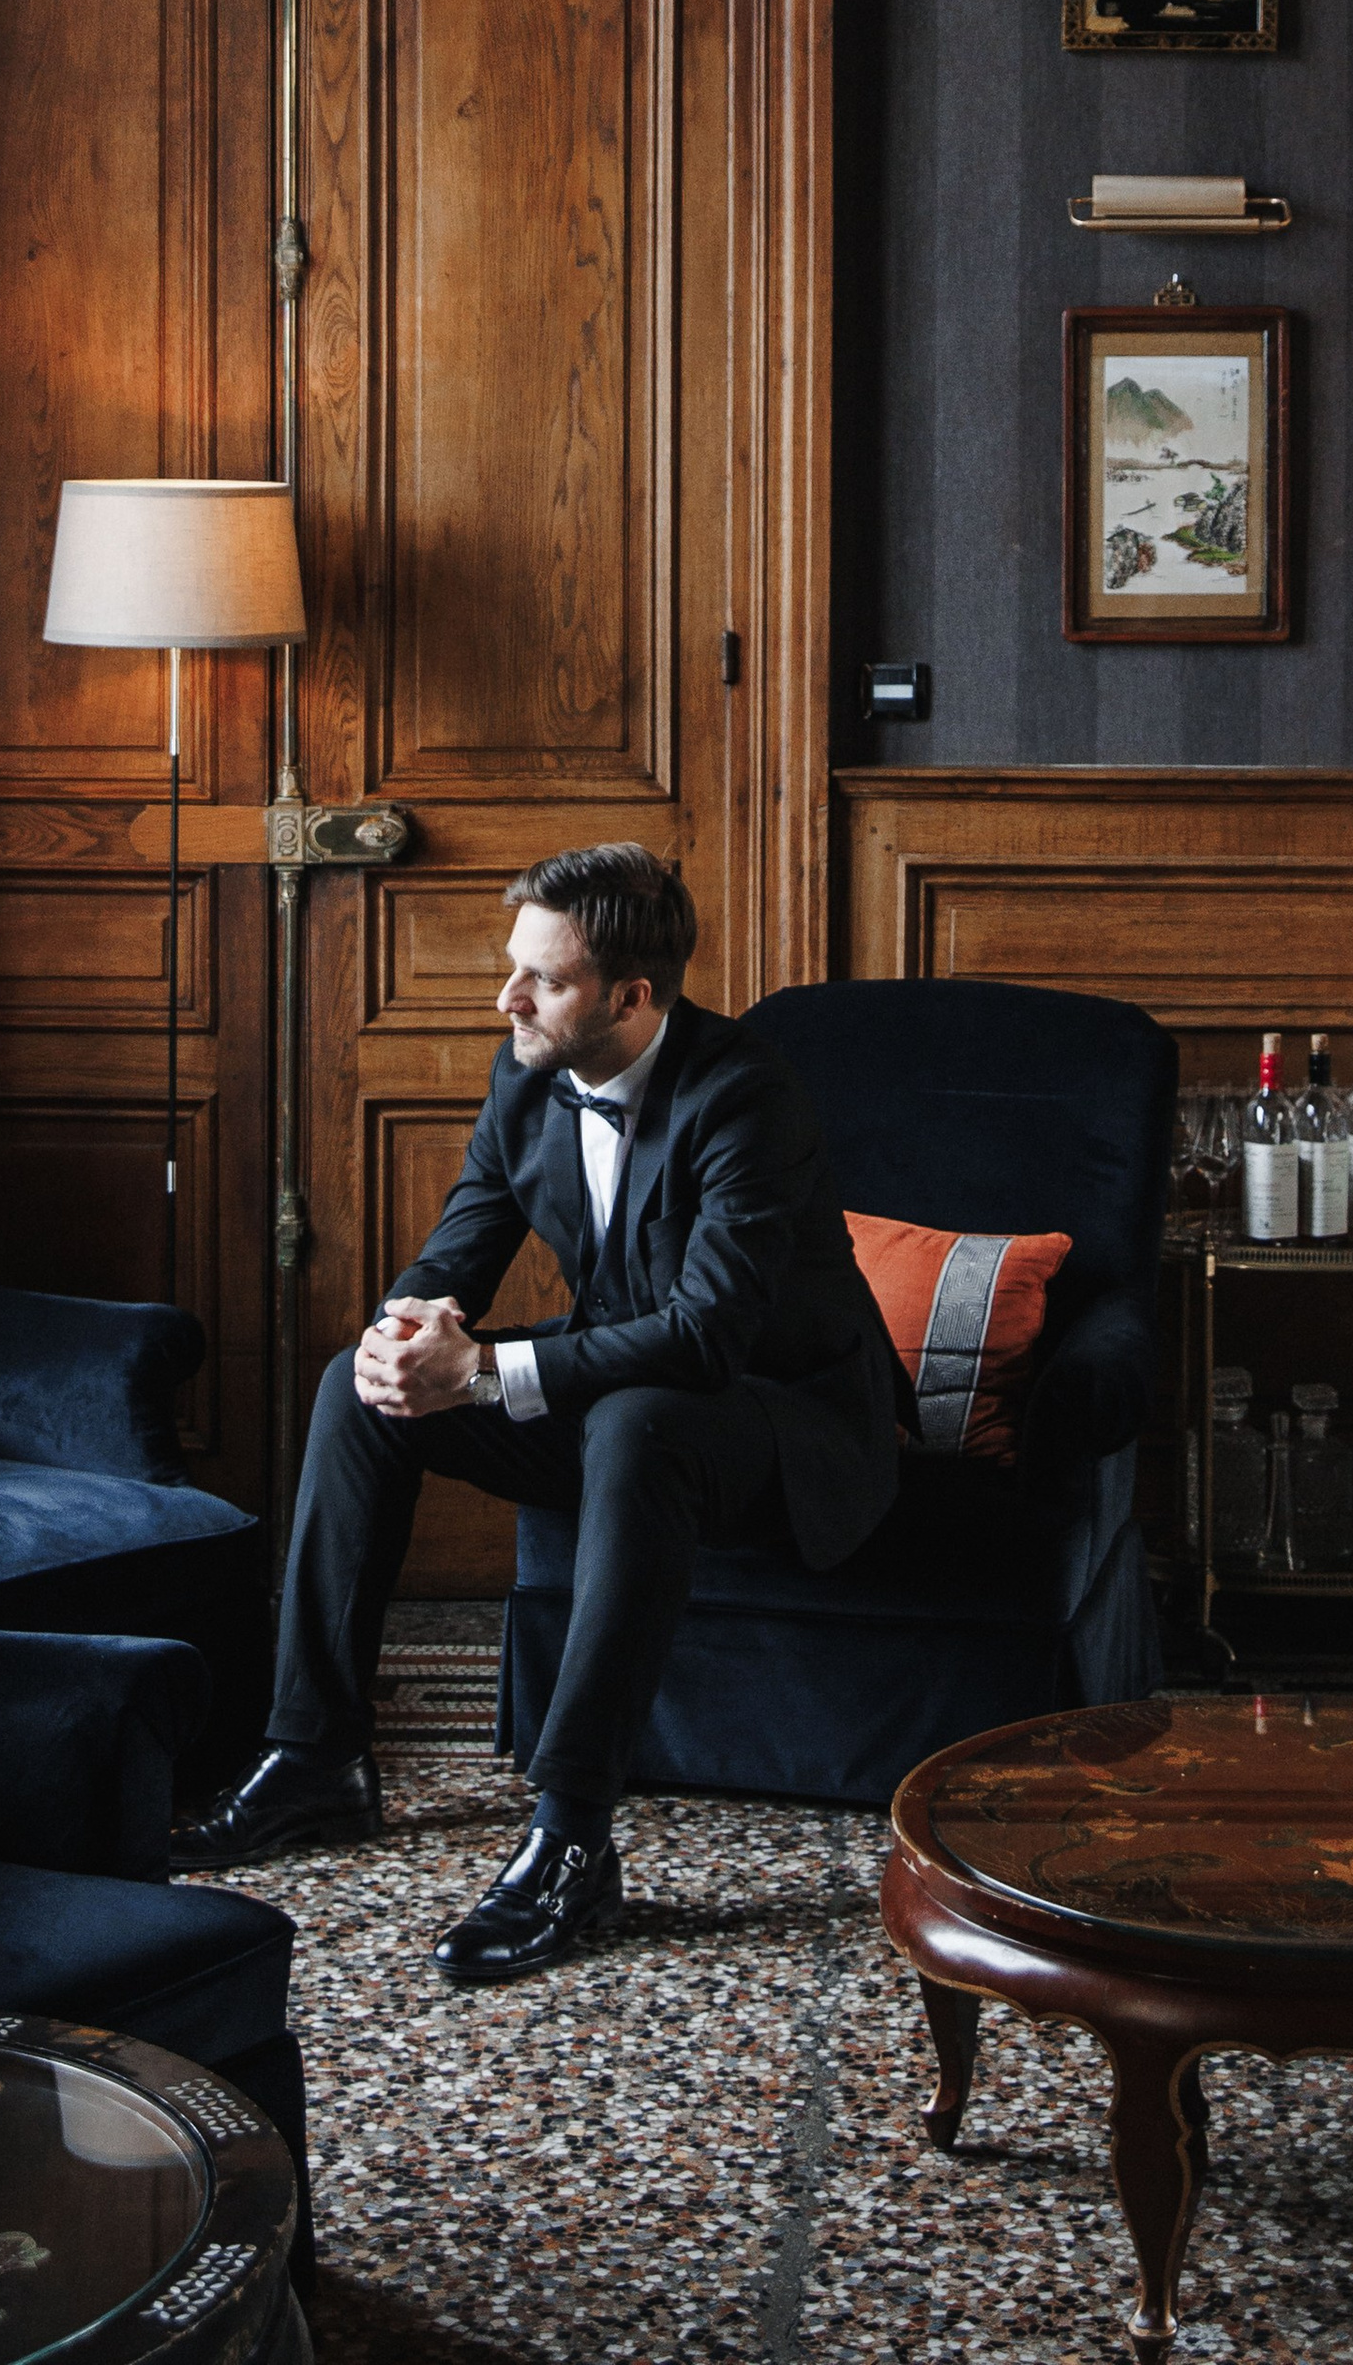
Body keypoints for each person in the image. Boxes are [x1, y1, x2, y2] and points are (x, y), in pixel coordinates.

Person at [176, 844, 903, 1983]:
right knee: (352, 1393)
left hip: (776, 1424)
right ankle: (314, 1756)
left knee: (639, 1420)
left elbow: (706, 1337)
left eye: (542, 980)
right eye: (511, 969)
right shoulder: (526, 1072)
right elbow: (457, 1250)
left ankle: (570, 1834)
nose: (505, 998)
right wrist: (402, 1343)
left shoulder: (747, 1096)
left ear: (630, 996)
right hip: (628, 1399)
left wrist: (481, 1377)